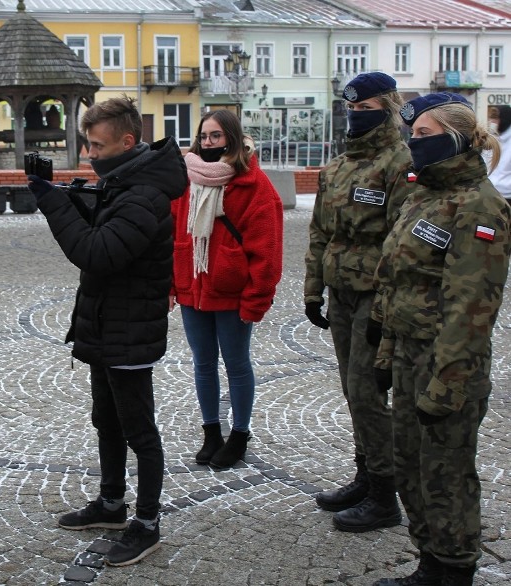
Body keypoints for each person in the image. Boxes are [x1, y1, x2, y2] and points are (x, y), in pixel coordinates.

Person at [26, 96, 187, 566]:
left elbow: (96, 252)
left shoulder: (145, 195)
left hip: (130, 331)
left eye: (97, 146)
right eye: (87, 145)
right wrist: (73, 195)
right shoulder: (123, 183)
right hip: (106, 326)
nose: (90, 155)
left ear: (128, 141)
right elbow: (102, 229)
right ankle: (113, 503)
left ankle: (148, 523)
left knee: (140, 430)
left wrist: (53, 201)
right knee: (107, 420)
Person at [371, 93, 511, 586]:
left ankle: (453, 568)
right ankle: (428, 560)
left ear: (456, 139)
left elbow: (471, 309)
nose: (413, 142)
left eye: (425, 135)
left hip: (446, 361)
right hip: (410, 353)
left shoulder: (481, 206)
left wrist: (447, 384)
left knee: (445, 471)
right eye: (412, 134)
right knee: (409, 463)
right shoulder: (423, 195)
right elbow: (398, 279)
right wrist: (387, 351)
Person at [303, 72, 415, 533]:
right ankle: (366, 474)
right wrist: (312, 289)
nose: (355, 115)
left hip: (375, 296)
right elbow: (318, 233)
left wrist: (387, 311)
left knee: (368, 392)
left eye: (365, 108)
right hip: (341, 292)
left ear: (387, 108)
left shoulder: (399, 162)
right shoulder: (338, 166)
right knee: (354, 392)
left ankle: (385, 496)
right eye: (350, 108)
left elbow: (402, 243)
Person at [170, 110, 283, 469]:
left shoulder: (253, 183)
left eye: (216, 136)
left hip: (232, 293)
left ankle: (239, 434)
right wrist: (172, 283)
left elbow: (267, 250)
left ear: (231, 138)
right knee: (203, 364)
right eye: (203, 136)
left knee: (236, 364)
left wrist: (257, 299)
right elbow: (173, 232)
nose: (208, 143)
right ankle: (211, 432)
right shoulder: (186, 179)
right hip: (194, 288)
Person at [487, 104, 511, 202]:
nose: (492, 122)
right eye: (491, 119)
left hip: (508, 195)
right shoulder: (492, 139)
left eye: (495, 119)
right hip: (491, 193)